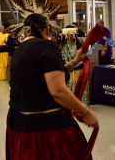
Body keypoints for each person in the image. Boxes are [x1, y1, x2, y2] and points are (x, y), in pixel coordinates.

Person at [6, 14, 98, 159]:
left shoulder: (19, 50)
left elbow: (49, 73)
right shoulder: (47, 46)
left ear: (25, 31)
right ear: (47, 30)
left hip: (19, 126)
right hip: (46, 129)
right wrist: (85, 111)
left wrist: (75, 60)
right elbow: (58, 91)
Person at [59, 25, 90, 106]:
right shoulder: (61, 43)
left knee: (79, 86)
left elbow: (86, 51)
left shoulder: (80, 41)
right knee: (68, 86)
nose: (69, 36)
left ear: (74, 34)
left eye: (71, 34)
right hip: (67, 69)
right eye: (68, 35)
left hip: (79, 68)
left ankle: (81, 105)